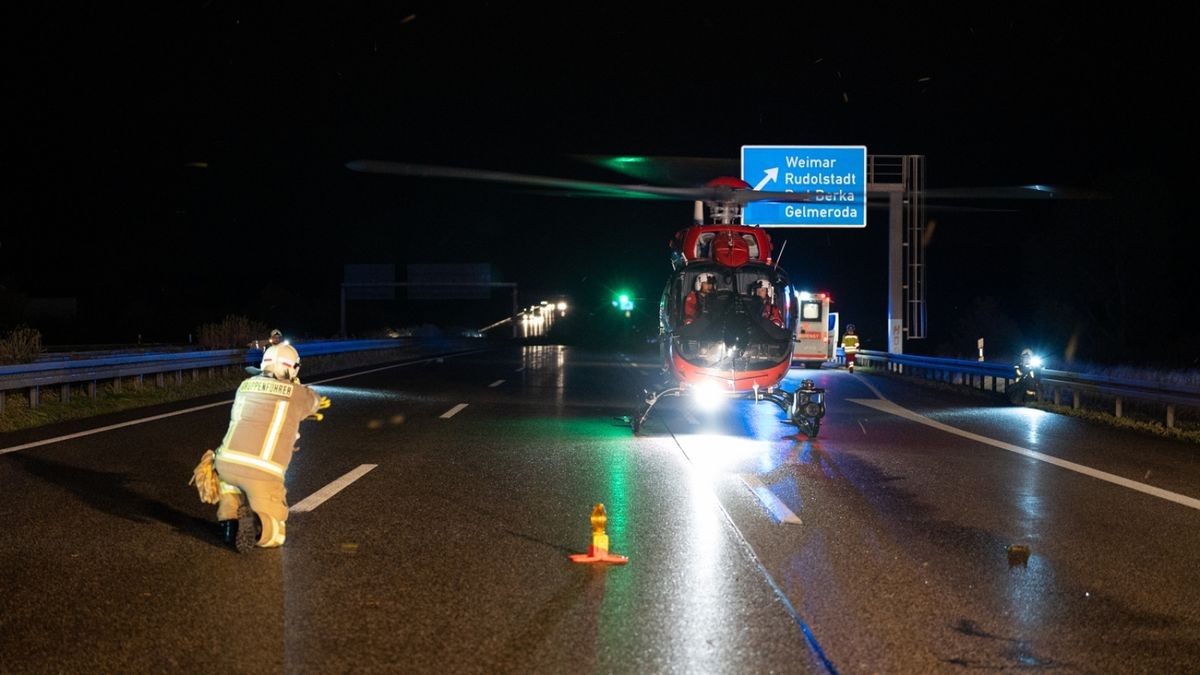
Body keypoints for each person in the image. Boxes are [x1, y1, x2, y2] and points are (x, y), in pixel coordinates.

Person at [212, 343, 329, 552]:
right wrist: (304, 391)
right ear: (293, 368)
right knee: (276, 533)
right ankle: (256, 524)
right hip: (262, 470)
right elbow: (314, 401)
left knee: (230, 497)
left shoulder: (245, 385)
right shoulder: (296, 392)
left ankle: (230, 525)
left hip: (224, 464)